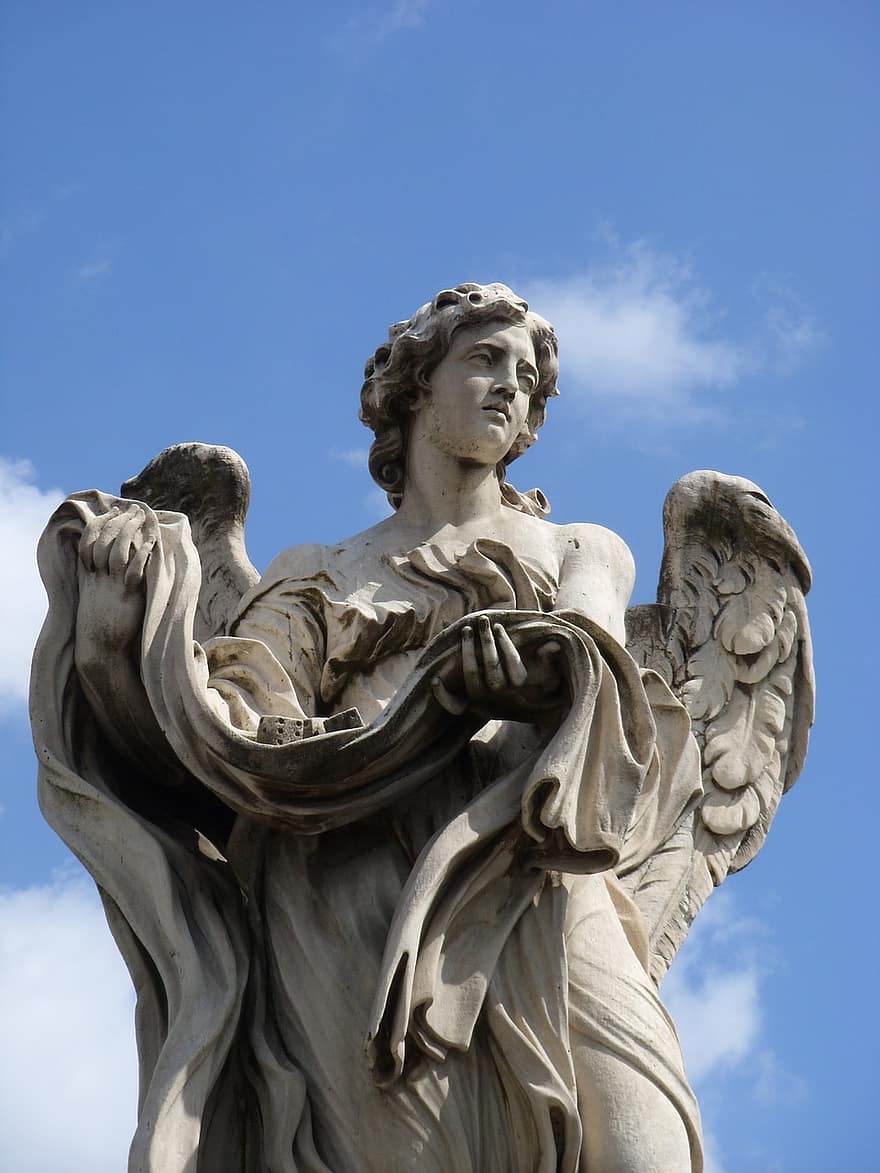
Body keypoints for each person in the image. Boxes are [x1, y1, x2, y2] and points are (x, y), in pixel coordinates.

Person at [34, 283, 704, 1172]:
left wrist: (521, 668)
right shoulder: (319, 570)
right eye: (484, 360)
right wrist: (138, 603)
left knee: (646, 1143)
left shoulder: (579, 547)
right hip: (345, 886)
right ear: (417, 385)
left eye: (528, 376)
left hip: (535, 872)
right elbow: (244, 721)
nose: (510, 387)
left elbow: (593, 660)